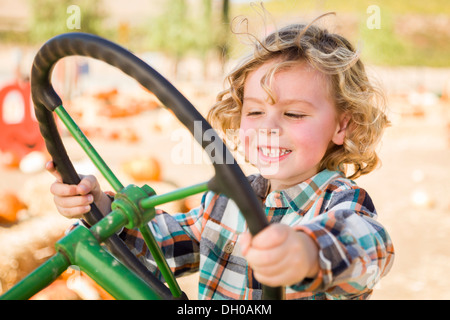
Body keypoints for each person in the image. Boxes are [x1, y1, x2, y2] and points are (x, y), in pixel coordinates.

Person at [46, 13, 394, 300]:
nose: (268, 128)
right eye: (255, 113)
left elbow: (372, 248)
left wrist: (304, 254)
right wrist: (98, 208)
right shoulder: (228, 197)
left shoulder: (340, 201)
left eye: (294, 115)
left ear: (341, 126)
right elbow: (162, 245)